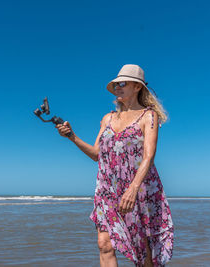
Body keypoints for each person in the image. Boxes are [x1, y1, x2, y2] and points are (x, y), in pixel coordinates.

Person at [56, 64, 174, 267]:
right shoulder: (108, 118)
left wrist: (133, 189)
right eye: (115, 85)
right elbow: (96, 154)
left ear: (137, 87)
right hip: (107, 189)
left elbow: (149, 156)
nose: (117, 88)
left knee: (143, 248)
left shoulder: (148, 116)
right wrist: (71, 136)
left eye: (122, 84)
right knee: (104, 244)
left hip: (138, 188)